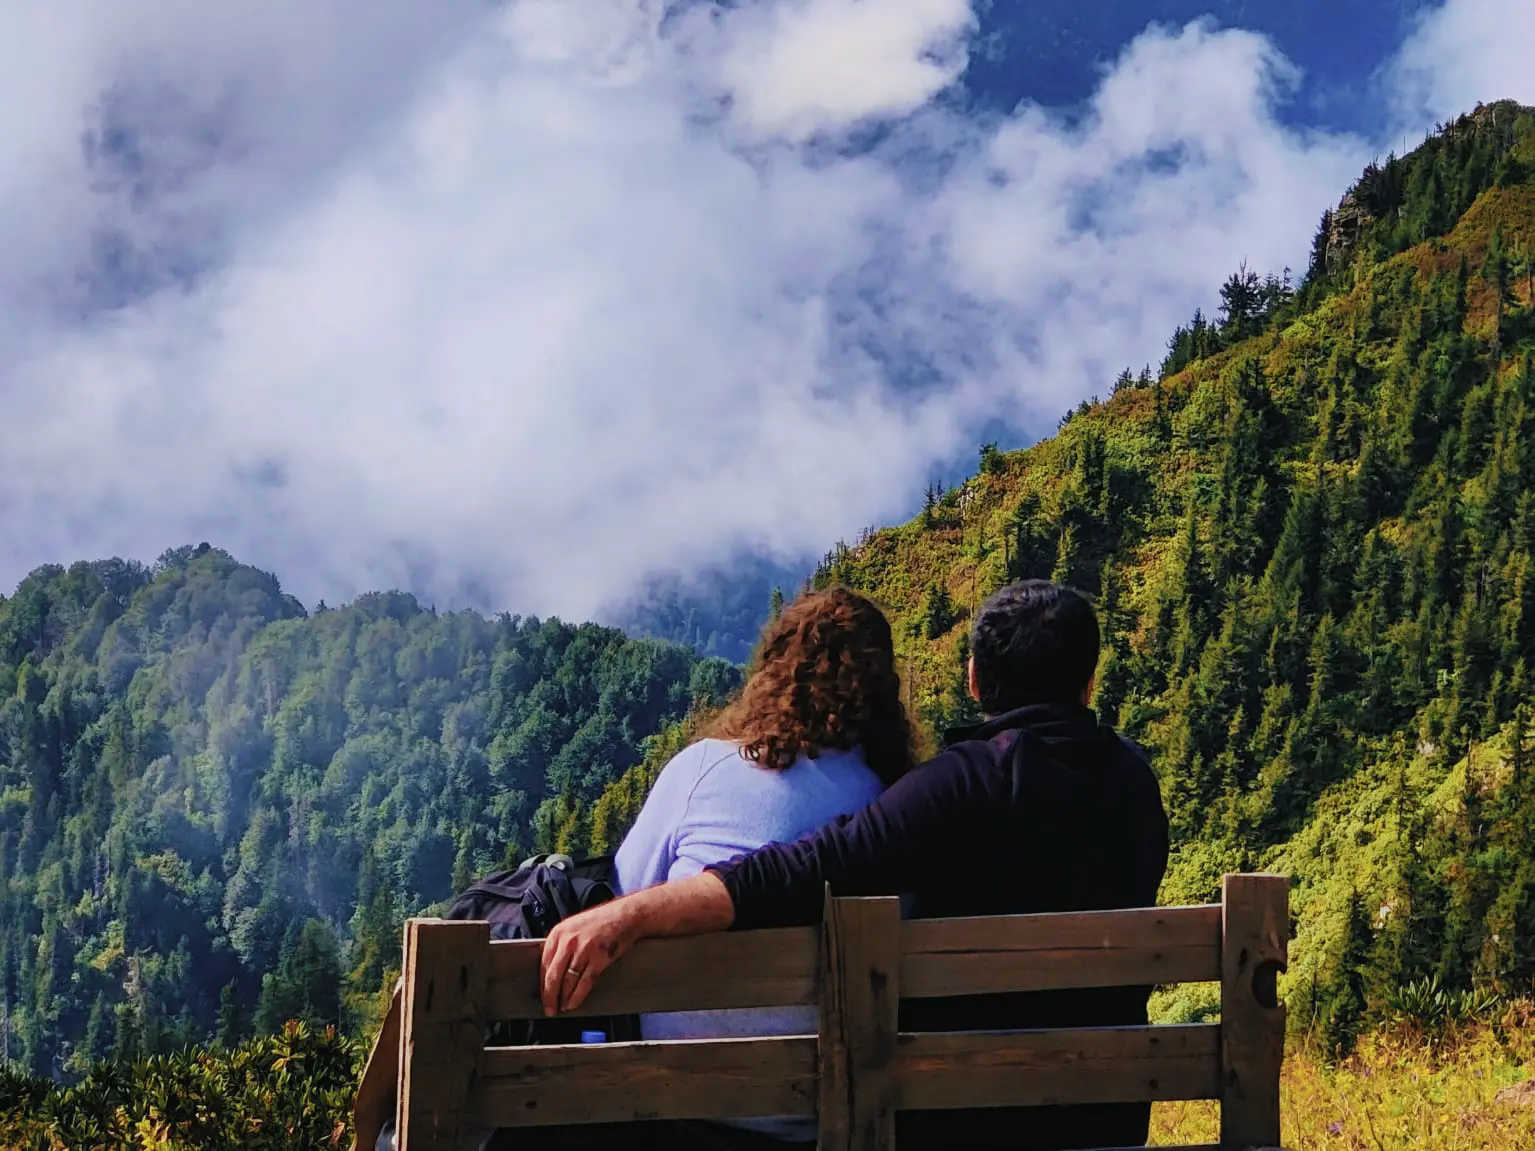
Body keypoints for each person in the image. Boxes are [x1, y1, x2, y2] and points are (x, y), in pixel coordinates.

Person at [539, 579, 1171, 1151]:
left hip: (968, 1123)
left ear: (975, 678)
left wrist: (630, 914)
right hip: (1110, 1118)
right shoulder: (1137, 783)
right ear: (1089, 682)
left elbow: (817, 866)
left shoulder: (965, 784)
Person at [611, 586, 918, 1143]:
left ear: (772, 671)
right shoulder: (892, 806)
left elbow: (625, 894)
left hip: (675, 1107)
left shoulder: (701, 770)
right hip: (821, 1119)